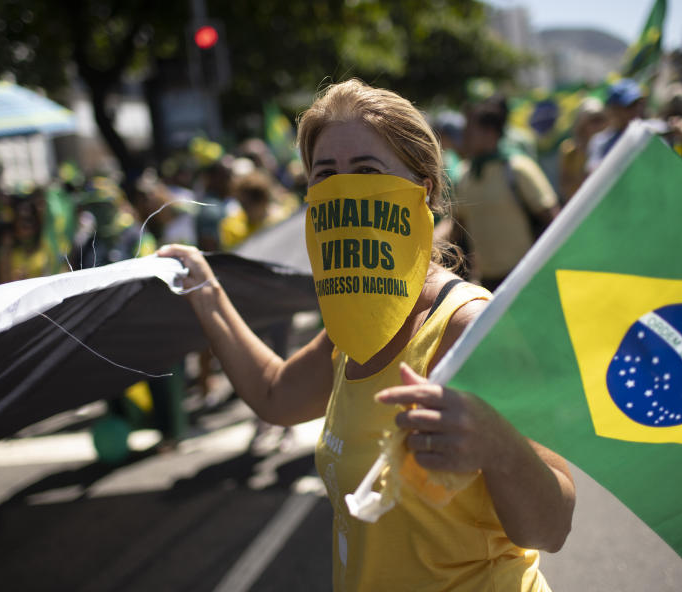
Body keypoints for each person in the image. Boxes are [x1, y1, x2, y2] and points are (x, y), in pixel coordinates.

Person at [159, 79, 574, 591]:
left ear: (423, 189)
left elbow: (552, 525)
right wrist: (205, 289)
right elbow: (275, 394)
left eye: (367, 172)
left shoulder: (468, 327)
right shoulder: (352, 326)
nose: (343, 189)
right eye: (325, 174)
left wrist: (496, 445)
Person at [452, 96, 560, 291]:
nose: (464, 136)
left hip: (525, 279)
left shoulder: (518, 168)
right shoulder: (465, 174)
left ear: (490, 132)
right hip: (486, 284)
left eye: (470, 129)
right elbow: (458, 226)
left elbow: (553, 220)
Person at [558, 97, 607, 201]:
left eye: (601, 119)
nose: (599, 126)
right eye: (593, 121)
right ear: (582, 125)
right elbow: (567, 187)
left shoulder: (612, 144)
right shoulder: (570, 152)